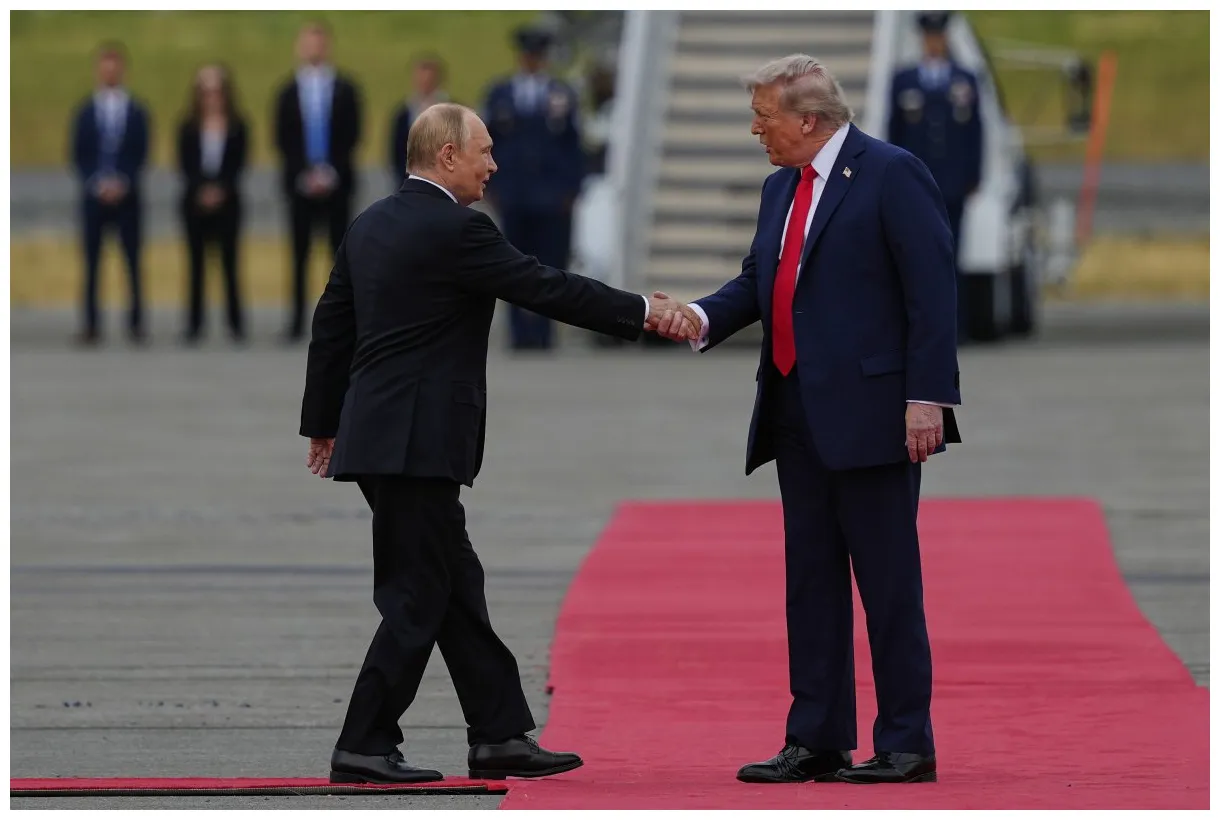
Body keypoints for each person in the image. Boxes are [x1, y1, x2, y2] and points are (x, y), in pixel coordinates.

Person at [298, 102, 695, 784]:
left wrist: (323, 425)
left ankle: (499, 734)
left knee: (454, 585)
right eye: (483, 150)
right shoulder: (459, 231)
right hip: (417, 442)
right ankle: (362, 743)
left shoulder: (370, 225)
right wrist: (643, 312)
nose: (494, 163)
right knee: (418, 594)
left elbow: (332, 326)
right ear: (446, 155)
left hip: (379, 439)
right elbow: (547, 287)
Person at [652, 55, 961, 785]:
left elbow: (932, 290)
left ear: (809, 120)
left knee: (887, 584)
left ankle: (907, 742)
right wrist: (696, 316)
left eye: (764, 117)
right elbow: (763, 279)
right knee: (811, 582)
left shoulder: (890, 173)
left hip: (875, 413)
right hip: (795, 411)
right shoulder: (779, 188)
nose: (756, 130)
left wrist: (929, 397)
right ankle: (817, 735)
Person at [482, 26, 586, 351]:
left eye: (537, 55)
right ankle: (518, 332)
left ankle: (543, 332)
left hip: (551, 195)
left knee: (550, 263)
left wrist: (571, 188)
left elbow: (575, 145)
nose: (532, 60)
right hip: (514, 194)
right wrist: (491, 186)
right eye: (528, 54)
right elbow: (488, 142)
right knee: (512, 263)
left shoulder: (561, 94)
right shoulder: (500, 93)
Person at [887, 11, 982, 342]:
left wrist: (974, 175)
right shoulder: (905, 81)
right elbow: (893, 134)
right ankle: (916, 326)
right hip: (917, 185)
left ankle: (955, 325)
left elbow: (975, 133)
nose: (934, 43)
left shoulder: (964, 80)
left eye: (938, 36)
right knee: (914, 255)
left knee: (952, 253)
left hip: (953, 182)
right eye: (929, 37)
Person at [273, 21, 363, 342]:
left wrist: (331, 172)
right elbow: (282, 137)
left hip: (336, 184)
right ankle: (297, 321)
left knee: (340, 257)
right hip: (301, 186)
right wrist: (304, 173)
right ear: (300, 46)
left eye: (320, 42)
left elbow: (353, 133)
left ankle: (343, 321)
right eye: (309, 42)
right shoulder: (287, 91)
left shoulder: (345, 88)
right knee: (299, 255)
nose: (315, 48)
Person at [69, 41, 150, 346]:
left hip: (127, 198)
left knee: (132, 261)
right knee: (91, 263)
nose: (110, 71)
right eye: (105, 65)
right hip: (94, 197)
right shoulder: (86, 111)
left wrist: (122, 182)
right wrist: (98, 182)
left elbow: (141, 151)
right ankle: (91, 324)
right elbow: (78, 154)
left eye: (115, 65)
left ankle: (136, 323)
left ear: (122, 69)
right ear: (97, 70)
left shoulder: (136, 110)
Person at [177, 63, 248, 344]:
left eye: (217, 90)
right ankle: (194, 324)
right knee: (195, 265)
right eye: (206, 91)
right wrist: (202, 190)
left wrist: (221, 190)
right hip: (195, 202)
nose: (212, 97)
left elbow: (239, 163)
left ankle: (235, 323)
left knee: (230, 263)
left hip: (228, 201)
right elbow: (184, 164)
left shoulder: (237, 126)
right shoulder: (188, 127)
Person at [388, 54, 449, 186]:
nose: (425, 83)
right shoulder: (404, 113)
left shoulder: (453, 112)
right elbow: (396, 151)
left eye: (429, 79)